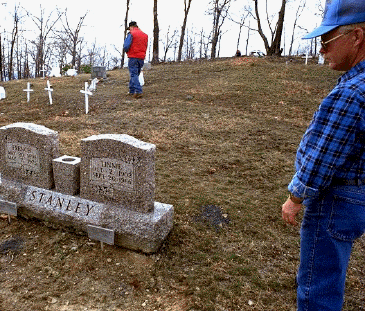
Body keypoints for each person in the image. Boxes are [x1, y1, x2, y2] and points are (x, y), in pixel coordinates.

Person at [281, 0, 365, 310]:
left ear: (356, 37)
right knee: (331, 272)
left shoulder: (351, 92)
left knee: (318, 287)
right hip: (357, 198)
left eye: (326, 40)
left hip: (335, 201)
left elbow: (323, 157)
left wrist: (296, 197)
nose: (321, 50)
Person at [123, 21, 148, 98]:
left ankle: (138, 91)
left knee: (133, 74)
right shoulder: (144, 35)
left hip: (133, 56)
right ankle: (131, 90)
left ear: (131, 27)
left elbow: (126, 46)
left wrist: (126, 51)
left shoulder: (131, 34)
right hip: (141, 57)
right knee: (136, 74)